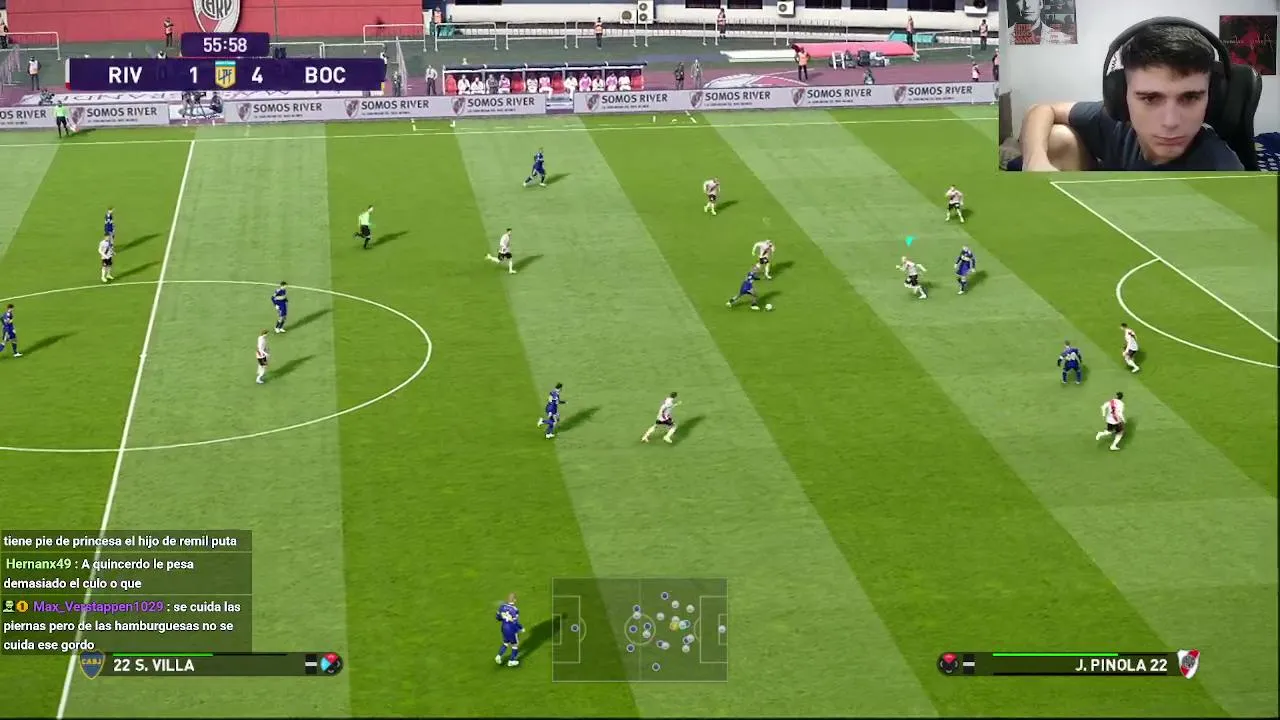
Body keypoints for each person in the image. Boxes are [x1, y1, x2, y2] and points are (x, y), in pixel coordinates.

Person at [1019, 22, 1244, 171]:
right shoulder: (1115, 123)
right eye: (1150, 98)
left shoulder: (1221, 169)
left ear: (1212, 99)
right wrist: (1035, 160)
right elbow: (1040, 109)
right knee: (1057, 138)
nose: (1170, 122)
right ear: (1121, 96)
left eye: (1190, 97)